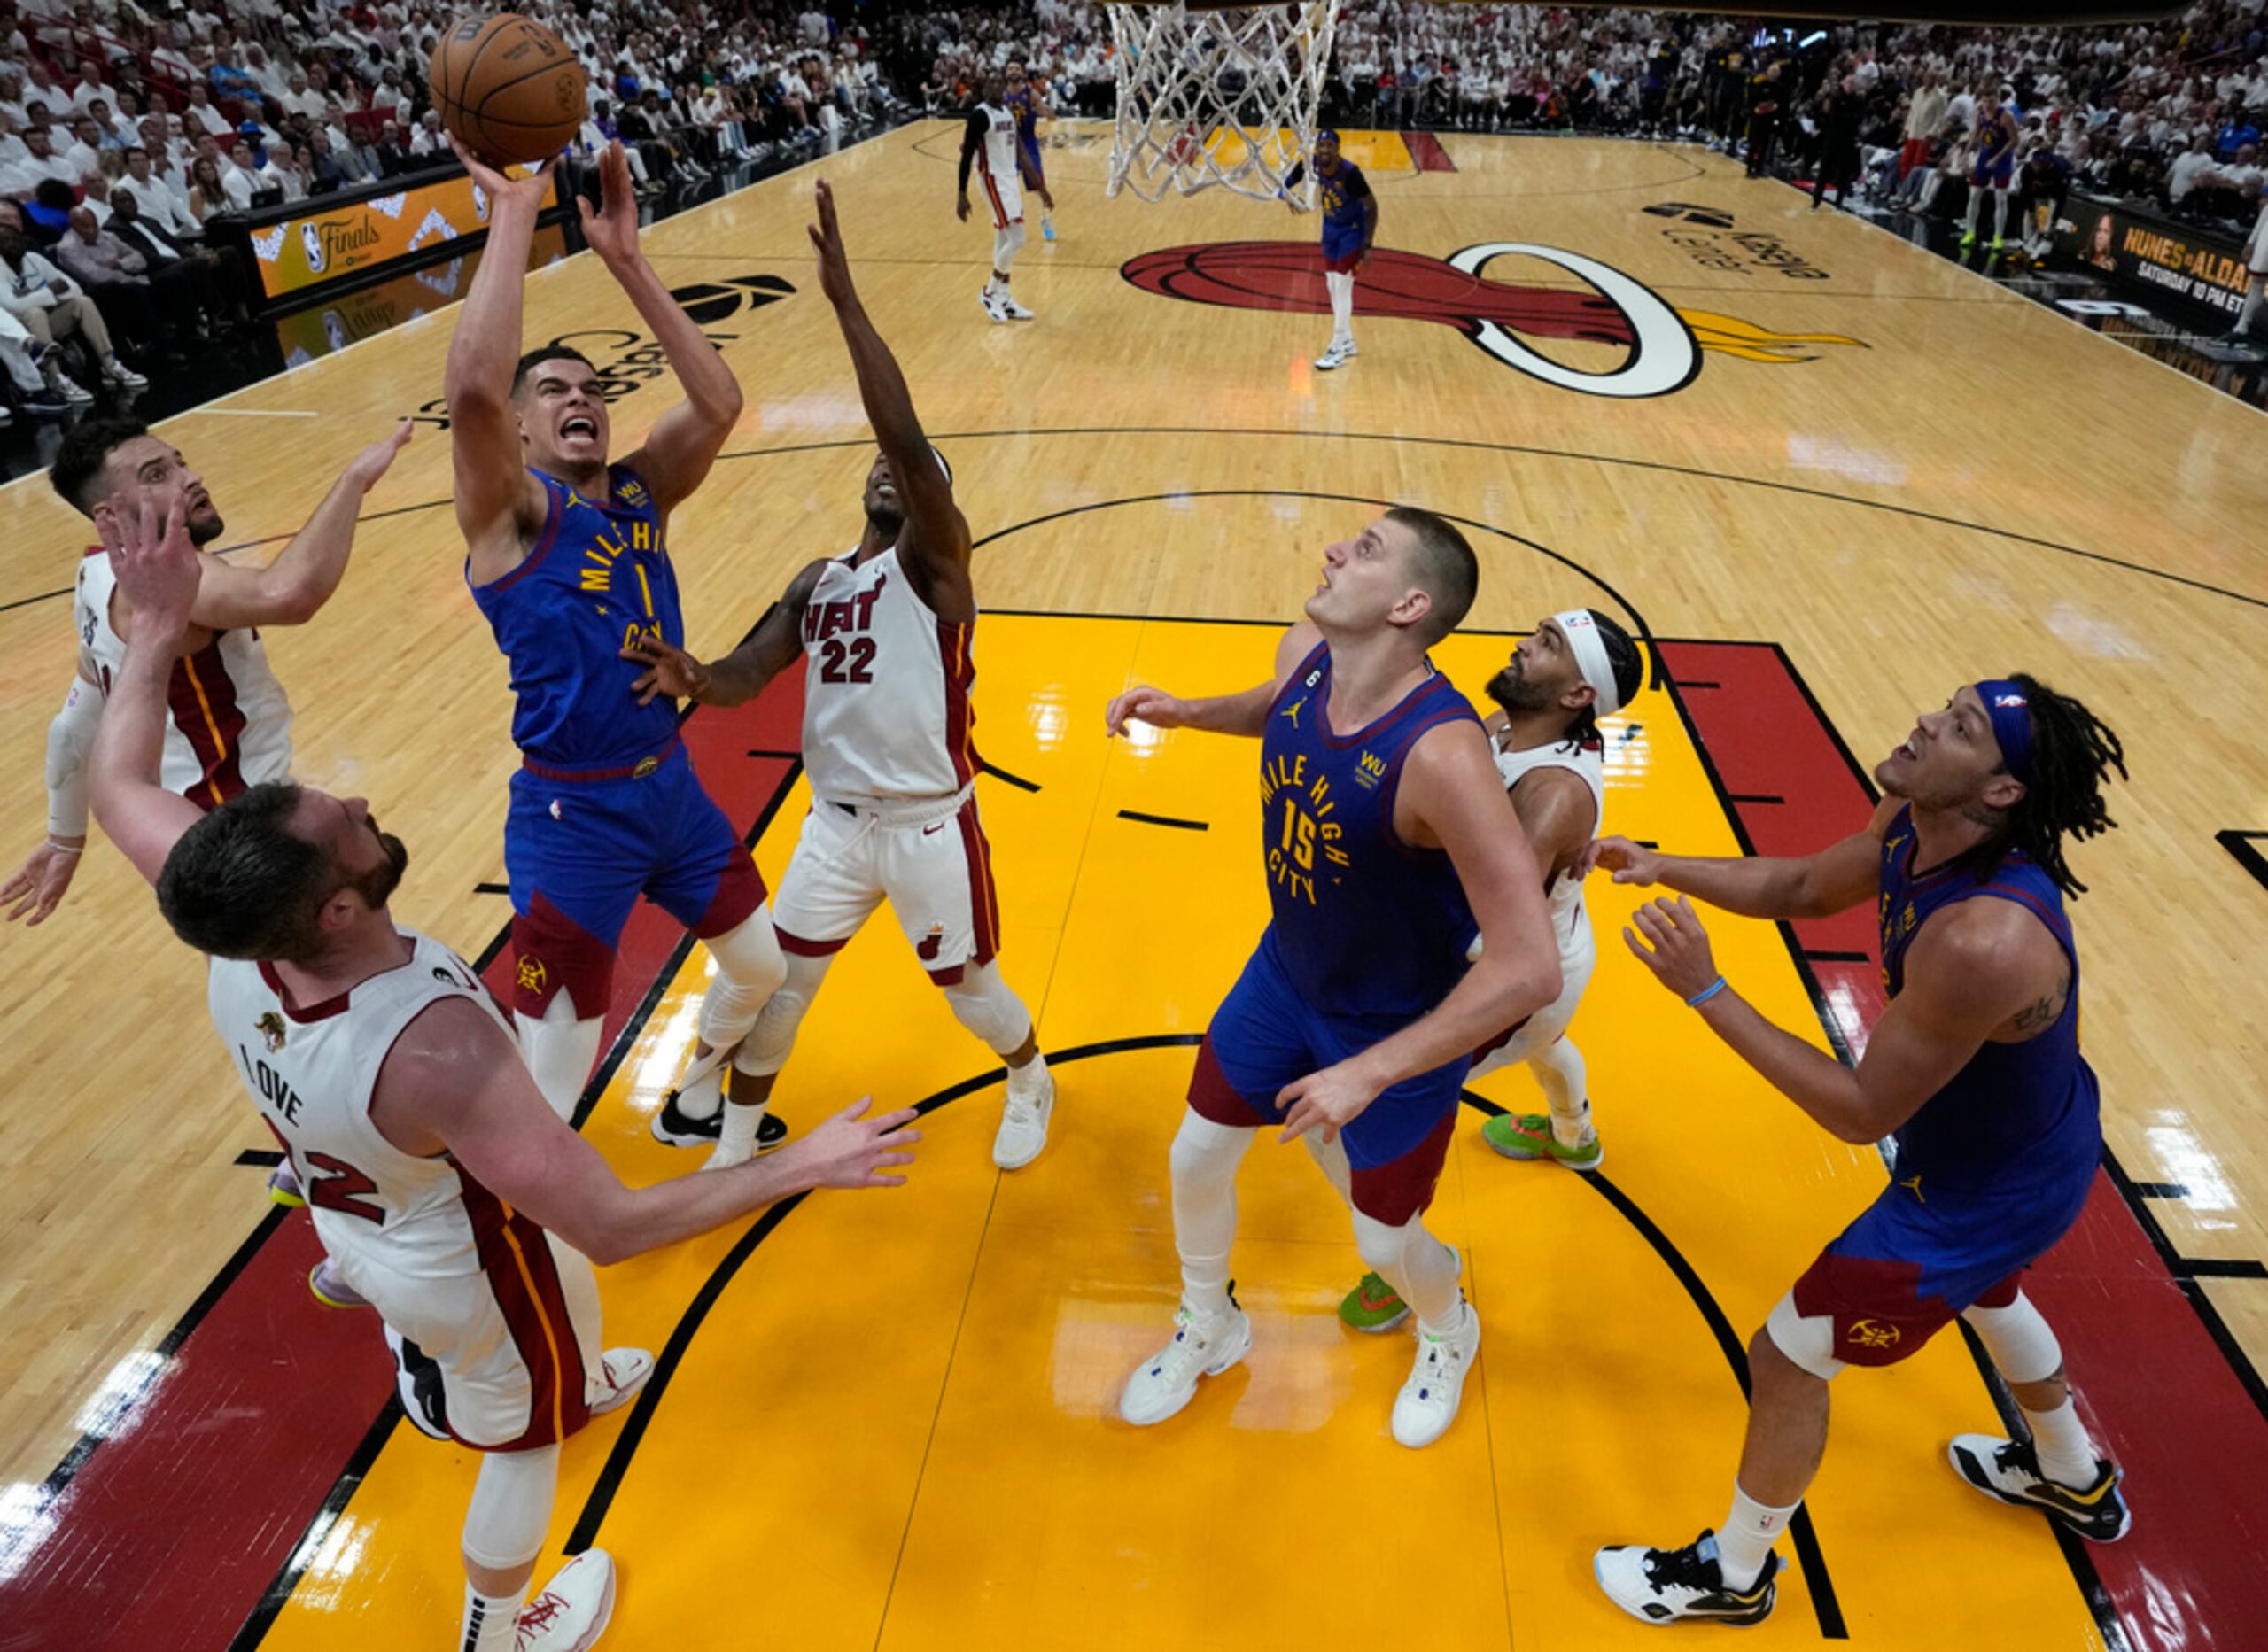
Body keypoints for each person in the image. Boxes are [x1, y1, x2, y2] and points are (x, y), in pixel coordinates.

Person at [84, 488, 920, 1652]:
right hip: (461, 1259)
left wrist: (154, 636)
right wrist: (803, 1165)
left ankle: (554, 1371)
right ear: (337, 905)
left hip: (360, 1219)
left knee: (533, 1333)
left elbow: (117, 784)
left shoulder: (233, 923)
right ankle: (500, 1629)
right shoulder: (440, 1051)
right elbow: (617, 1222)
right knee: (528, 1437)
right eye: (347, 823)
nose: (364, 800)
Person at [1589, 678, 2132, 1626]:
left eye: (1961, 726)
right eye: (1945, 704)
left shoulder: (1984, 938)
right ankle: (2070, 1473)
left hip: (1982, 1189)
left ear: (2000, 792)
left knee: (1786, 1355)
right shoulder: (1911, 819)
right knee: (1992, 1292)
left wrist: (1704, 988)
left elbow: (1855, 1108)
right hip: (2022, 1138)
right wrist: (1659, 863)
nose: (1925, 718)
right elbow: (1800, 885)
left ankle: (1736, 1574)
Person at [620, 180, 1056, 1173]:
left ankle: (1030, 1074)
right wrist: (693, 674)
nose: (888, 470)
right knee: (781, 986)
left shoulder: (936, 568)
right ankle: (732, 1142)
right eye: (880, 467)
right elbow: (744, 674)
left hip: (927, 823)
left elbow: (904, 439)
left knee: (969, 988)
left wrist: (848, 305)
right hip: (834, 824)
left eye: (909, 470)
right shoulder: (820, 578)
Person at [1106, 508, 1562, 1449]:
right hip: (1287, 975)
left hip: (1388, 1024)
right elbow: (1276, 704)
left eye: (1363, 550)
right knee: (1194, 1153)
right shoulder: (1306, 649)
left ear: (1408, 603)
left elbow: (1527, 965)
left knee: (1382, 1242)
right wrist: (1185, 711)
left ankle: (1448, 1326)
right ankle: (1210, 1320)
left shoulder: (1442, 755)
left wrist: (1370, 1071)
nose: (1330, 550)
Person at [445, 140, 792, 1146]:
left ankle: (689, 1101)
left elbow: (720, 403)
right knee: (554, 1080)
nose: (579, 399)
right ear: (514, 428)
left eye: (591, 387)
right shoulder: (509, 518)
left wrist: (626, 260)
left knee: (762, 966)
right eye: (552, 390)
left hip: (669, 788)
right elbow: (470, 389)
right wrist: (515, 214)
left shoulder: (641, 491)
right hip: (571, 816)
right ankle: (491, 1257)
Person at [1334, 608, 1643, 1334]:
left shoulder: (1555, 795)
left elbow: (1489, 932)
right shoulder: (1512, 725)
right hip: (1561, 944)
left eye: (1546, 647)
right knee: (1545, 1044)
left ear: (1577, 695)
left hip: (1524, 971)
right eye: (1535, 633)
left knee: (1412, 1090)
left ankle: (1405, 1260)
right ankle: (1574, 1134)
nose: (1522, 646)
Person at [956, 69, 1051, 323]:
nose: (998, 86)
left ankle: (1005, 298)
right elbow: (966, 157)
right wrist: (961, 193)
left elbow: (1022, 153)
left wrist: (1041, 188)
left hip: (1009, 180)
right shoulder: (979, 115)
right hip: (992, 180)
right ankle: (989, 292)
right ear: (986, 89)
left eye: (1001, 82)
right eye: (994, 82)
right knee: (1018, 238)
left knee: (1003, 238)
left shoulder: (1007, 113)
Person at [1281, 129, 1376, 371]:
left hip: (1352, 232)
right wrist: (1287, 195)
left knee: (1342, 285)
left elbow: (1372, 206)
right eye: (1320, 146)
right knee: (1332, 285)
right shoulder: (1312, 163)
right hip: (1330, 229)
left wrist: (1367, 245)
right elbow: (1286, 183)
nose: (1324, 150)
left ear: (1337, 149)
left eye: (1328, 146)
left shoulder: (1351, 173)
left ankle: (1337, 346)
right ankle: (1348, 340)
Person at [1963, 87, 2023, 250]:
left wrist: (1997, 158)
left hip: (2002, 160)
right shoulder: (1980, 113)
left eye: (1992, 101)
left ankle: (1998, 237)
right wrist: (1966, 154)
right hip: (1985, 157)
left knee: (2001, 198)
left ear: (1998, 100)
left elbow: (2015, 141)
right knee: (1974, 195)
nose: (1988, 104)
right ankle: (1970, 232)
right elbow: (1975, 135)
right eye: (1985, 100)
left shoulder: (2006, 116)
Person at [1003, 57, 1052, 242]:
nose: (1014, 71)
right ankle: (1010, 221)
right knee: (1007, 185)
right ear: (1006, 74)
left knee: (1039, 183)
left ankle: (1046, 219)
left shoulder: (1031, 94)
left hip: (1028, 142)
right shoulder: (1000, 96)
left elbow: (1045, 112)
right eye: (1010, 68)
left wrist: (1047, 112)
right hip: (1008, 144)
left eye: (1017, 68)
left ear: (1023, 73)